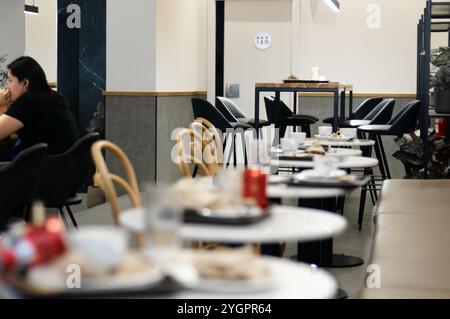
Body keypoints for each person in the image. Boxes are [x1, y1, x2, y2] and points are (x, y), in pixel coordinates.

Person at [0, 56, 79, 156]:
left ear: (25, 83)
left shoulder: (28, 101)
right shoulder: (53, 96)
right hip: (67, 165)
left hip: (44, 166)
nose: (8, 86)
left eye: (10, 81)